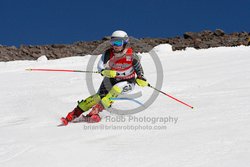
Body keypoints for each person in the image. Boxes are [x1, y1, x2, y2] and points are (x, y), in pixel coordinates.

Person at [61, 30, 149, 125]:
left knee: (115, 90)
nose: (115, 45)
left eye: (118, 42)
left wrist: (141, 78)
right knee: (97, 98)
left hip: (128, 81)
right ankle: (73, 114)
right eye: (113, 42)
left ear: (125, 43)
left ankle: (95, 112)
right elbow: (100, 66)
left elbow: (139, 69)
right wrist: (104, 71)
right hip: (111, 80)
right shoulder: (108, 54)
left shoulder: (132, 55)